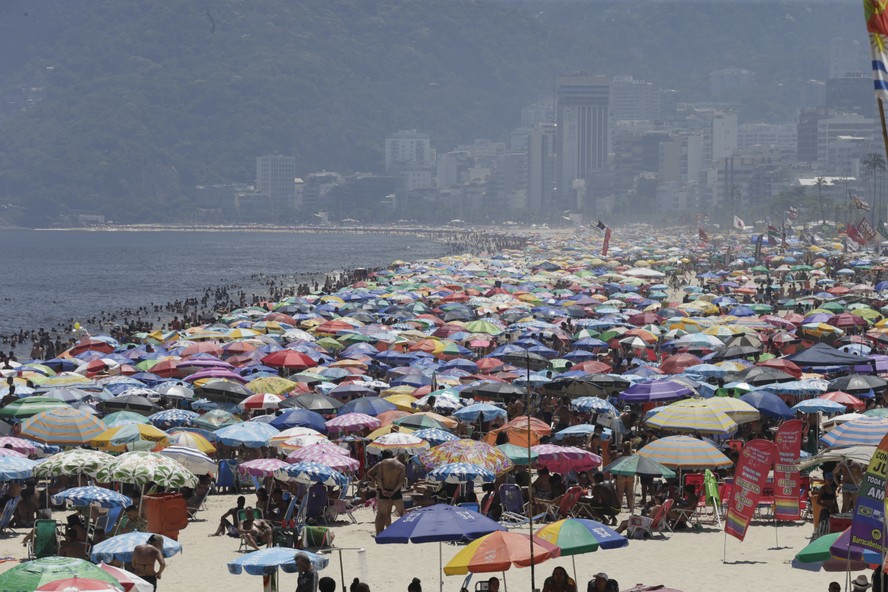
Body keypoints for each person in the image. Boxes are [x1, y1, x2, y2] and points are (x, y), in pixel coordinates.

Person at [366, 450, 406, 534]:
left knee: (382, 514)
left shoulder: (382, 463)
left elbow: (379, 477)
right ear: (402, 457)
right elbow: (400, 482)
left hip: (383, 490)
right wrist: (394, 492)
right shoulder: (401, 466)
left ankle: (379, 533)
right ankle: (404, 531)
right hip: (396, 492)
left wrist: (383, 489)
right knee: (402, 513)